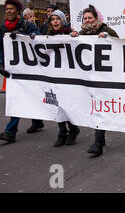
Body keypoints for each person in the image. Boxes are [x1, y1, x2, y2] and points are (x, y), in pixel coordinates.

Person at [71, 5, 119, 157]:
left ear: (96, 19)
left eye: (90, 18)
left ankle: (98, 142)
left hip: (105, 77)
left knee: (100, 108)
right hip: (88, 77)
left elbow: (120, 47)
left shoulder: (108, 31)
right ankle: (100, 138)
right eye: (85, 18)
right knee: (93, 107)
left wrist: (109, 39)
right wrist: (71, 38)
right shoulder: (80, 34)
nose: (87, 20)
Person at [0, 0, 44, 143]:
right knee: (16, 97)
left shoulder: (27, 24)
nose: (8, 11)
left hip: (29, 68)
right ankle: (10, 131)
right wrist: (0, 65)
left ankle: (37, 121)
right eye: (7, 9)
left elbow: (38, 39)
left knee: (33, 94)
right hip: (13, 70)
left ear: (17, 11)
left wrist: (23, 36)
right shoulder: (3, 28)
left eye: (11, 9)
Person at [44, 10, 81, 147]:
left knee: (66, 105)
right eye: (52, 19)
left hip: (67, 76)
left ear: (62, 21)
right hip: (53, 75)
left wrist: (74, 37)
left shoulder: (69, 34)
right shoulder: (46, 36)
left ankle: (72, 129)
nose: (55, 21)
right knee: (56, 104)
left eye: (57, 19)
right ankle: (62, 132)